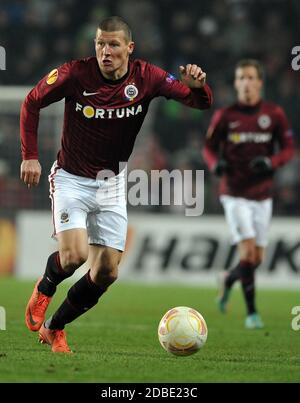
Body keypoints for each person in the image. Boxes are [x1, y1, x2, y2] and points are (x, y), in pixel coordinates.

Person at [20, 16, 212, 353]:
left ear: (129, 48)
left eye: (113, 45)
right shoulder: (75, 73)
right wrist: (30, 155)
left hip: (111, 183)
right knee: (74, 257)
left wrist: (199, 86)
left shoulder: (148, 77)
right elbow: (31, 102)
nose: (105, 51)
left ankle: (55, 328)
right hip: (71, 179)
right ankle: (46, 286)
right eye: (100, 44)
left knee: (107, 272)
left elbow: (199, 103)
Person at [203, 59, 294, 329]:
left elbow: (288, 148)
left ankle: (228, 279)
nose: (245, 83)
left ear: (259, 83)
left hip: (263, 195)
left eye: (250, 77)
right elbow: (208, 148)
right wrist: (214, 163)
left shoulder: (274, 114)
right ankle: (252, 314)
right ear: (236, 83)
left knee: (256, 259)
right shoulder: (226, 116)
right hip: (234, 193)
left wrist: (271, 162)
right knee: (248, 252)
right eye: (241, 78)